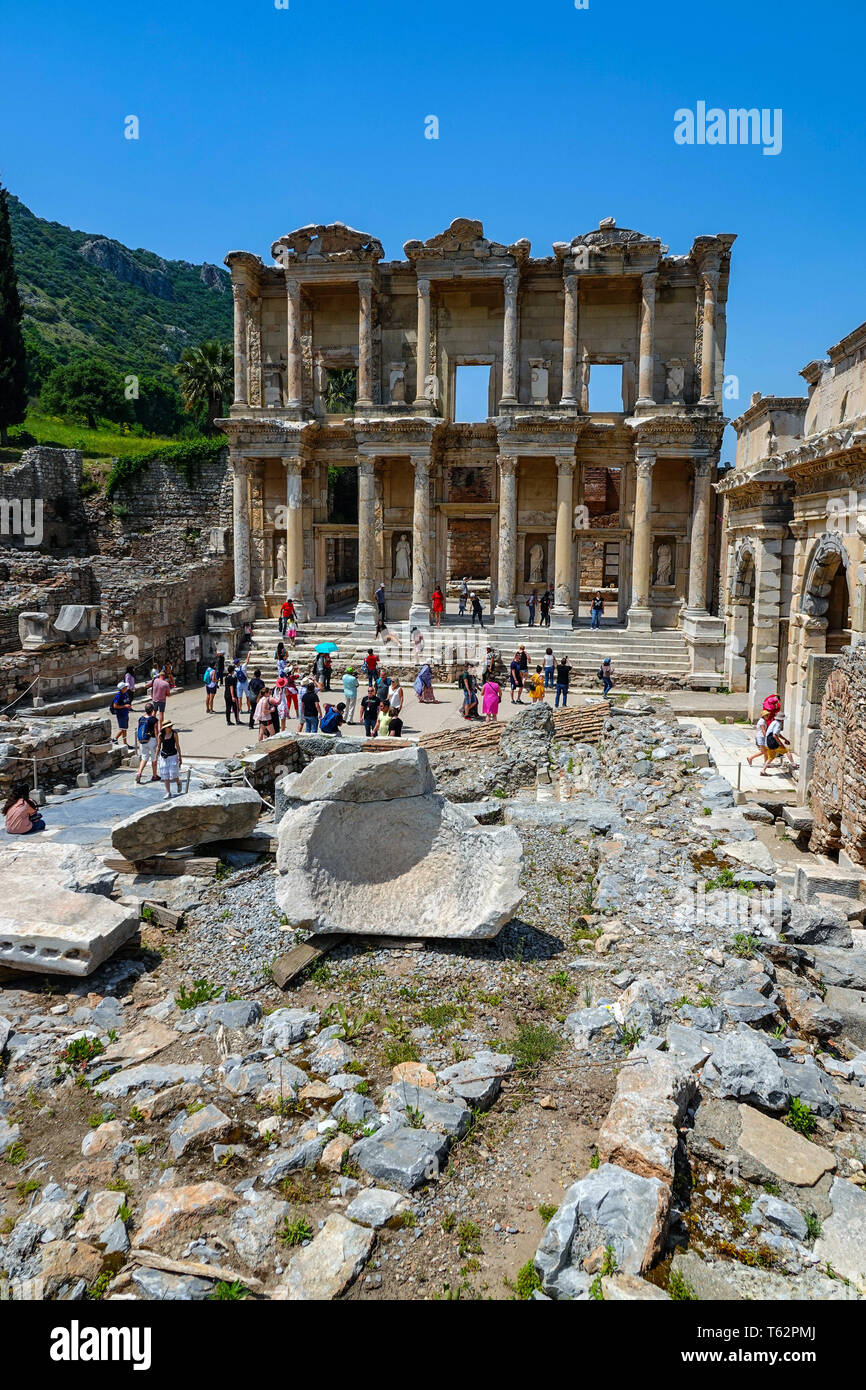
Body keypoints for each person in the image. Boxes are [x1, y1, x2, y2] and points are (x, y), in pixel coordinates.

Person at [761, 712, 799, 777]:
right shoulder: (778, 724)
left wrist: (785, 739)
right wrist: (780, 743)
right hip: (773, 742)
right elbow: (775, 735)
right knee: (787, 751)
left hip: (768, 742)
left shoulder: (773, 722)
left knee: (771, 758)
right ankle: (793, 764)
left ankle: (763, 771)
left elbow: (778, 734)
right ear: (781, 719)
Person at [134, 701, 160, 783]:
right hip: (151, 740)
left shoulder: (141, 719)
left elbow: (139, 729)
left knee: (144, 758)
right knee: (154, 758)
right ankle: (155, 776)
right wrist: (159, 743)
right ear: (152, 710)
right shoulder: (154, 720)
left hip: (143, 741)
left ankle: (139, 773)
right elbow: (156, 732)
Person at [156, 720, 183, 798]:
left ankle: (178, 782)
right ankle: (168, 792)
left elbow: (177, 745)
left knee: (174, 774)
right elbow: (158, 746)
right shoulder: (161, 735)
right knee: (165, 775)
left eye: (171, 726)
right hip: (164, 756)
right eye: (169, 727)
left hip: (173, 756)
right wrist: (155, 757)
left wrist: (180, 757)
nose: (171, 728)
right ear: (165, 728)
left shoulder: (174, 734)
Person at [110, 680, 133, 745]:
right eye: (125, 686)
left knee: (124, 728)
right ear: (122, 688)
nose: (127, 687)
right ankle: (124, 743)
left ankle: (116, 739)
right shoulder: (118, 695)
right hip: (121, 714)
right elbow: (115, 706)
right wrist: (124, 706)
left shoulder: (125, 693)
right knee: (123, 729)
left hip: (125, 713)